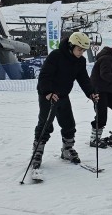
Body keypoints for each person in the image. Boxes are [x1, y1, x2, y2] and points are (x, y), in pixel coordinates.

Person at [31, 32, 99, 180]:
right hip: (48, 95)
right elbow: (44, 75)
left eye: (83, 50)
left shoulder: (80, 61)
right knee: (45, 124)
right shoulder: (56, 56)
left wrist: (91, 93)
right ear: (71, 46)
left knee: (68, 123)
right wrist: (48, 92)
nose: (81, 53)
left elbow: (83, 79)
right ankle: (37, 152)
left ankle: (67, 149)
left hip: (63, 95)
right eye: (79, 49)